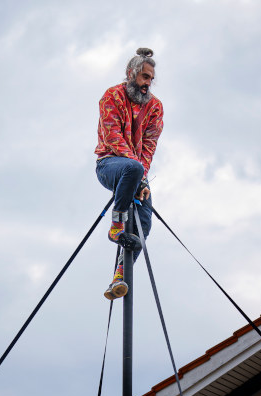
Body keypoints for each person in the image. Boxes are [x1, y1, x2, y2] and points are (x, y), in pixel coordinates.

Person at [95, 47, 164, 300]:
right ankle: (116, 224)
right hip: (110, 164)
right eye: (145, 77)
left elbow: (149, 147)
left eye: (151, 79)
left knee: (144, 222)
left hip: (137, 174)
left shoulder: (155, 107)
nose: (148, 83)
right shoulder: (111, 96)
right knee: (132, 167)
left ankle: (119, 276)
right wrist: (138, 173)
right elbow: (113, 137)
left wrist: (142, 180)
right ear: (131, 74)